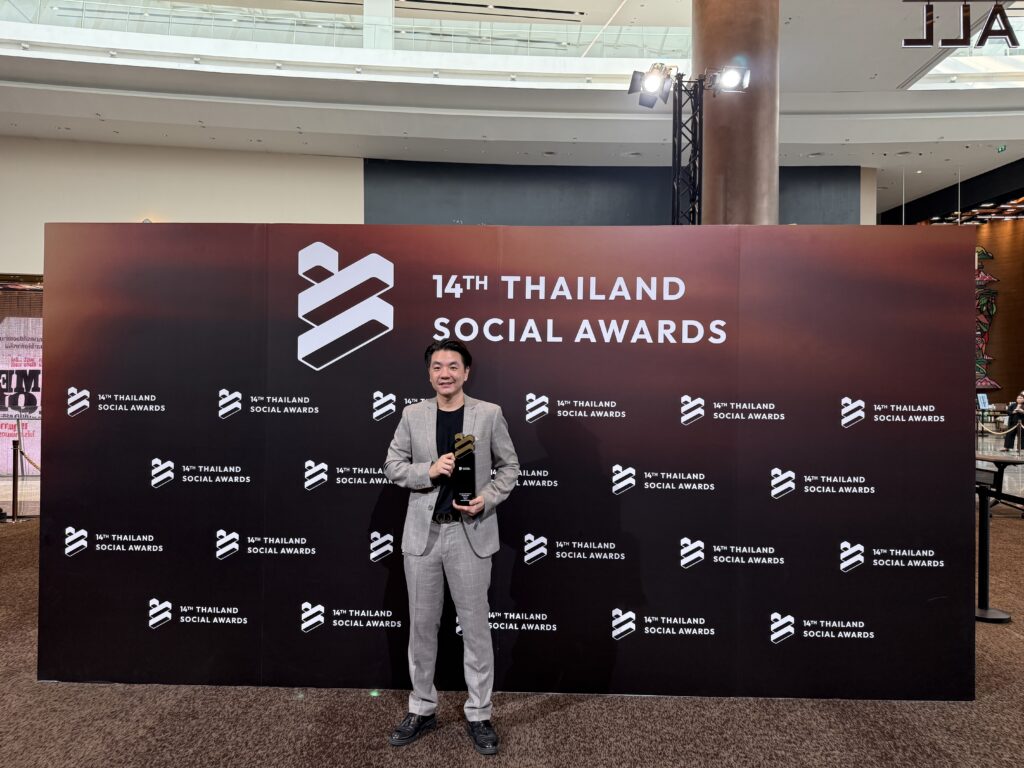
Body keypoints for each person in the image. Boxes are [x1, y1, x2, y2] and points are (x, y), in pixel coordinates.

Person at [383, 339, 519, 755]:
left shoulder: (488, 414)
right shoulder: (412, 415)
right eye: (438, 366)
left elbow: (509, 467)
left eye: (453, 366)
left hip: (469, 533)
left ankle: (479, 713)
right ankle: (422, 708)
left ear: (466, 372)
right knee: (422, 629)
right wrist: (429, 470)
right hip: (423, 537)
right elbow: (392, 466)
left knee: (476, 629)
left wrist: (486, 499)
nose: (445, 373)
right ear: (429, 374)